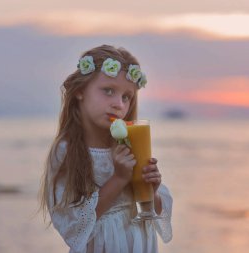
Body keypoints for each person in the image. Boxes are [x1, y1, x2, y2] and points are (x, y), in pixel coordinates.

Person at [39, 45, 172, 253]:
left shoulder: (129, 144)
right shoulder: (66, 150)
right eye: (108, 91)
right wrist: (118, 179)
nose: (118, 104)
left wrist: (151, 191)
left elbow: (156, 214)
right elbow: (74, 228)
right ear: (81, 91)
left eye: (126, 97)